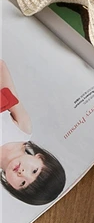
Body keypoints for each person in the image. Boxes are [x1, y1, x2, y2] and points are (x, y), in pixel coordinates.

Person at [0, 58, 66, 205]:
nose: (22, 173)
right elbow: (6, 84)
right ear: (40, 158)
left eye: (23, 183)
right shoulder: (22, 130)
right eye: (34, 171)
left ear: (12, 187)